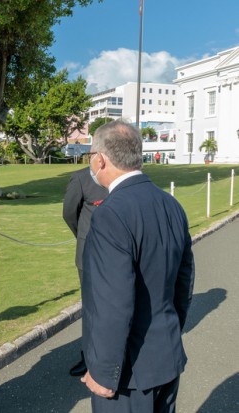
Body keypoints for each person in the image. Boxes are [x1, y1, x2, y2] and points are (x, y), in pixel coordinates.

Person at [80, 120, 195, 412]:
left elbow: (113, 303)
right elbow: (184, 283)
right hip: (165, 355)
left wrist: (104, 373)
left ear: (100, 158)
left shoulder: (110, 214)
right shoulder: (171, 204)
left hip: (128, 374)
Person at [62, 167, 108, 377]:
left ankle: (116, 354)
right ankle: (89, 358)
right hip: (88, 253)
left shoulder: (121, 173)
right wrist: (83, 235)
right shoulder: (81, 178)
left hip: (121, 252)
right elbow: (70, 213)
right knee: (91, 308)